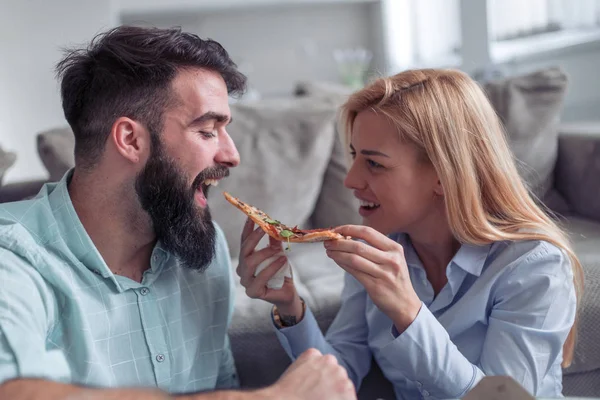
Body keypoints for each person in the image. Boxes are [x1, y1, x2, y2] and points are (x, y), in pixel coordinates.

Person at [0, 25, 356, 400]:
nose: (232, 155)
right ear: (131, 140)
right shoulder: (14, 260)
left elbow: (217, 383)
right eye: (208, 130)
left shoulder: (205, 249)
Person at [238, 68, 584, 399]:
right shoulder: (375, 255)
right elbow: (340, 378)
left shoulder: (533, 267)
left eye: (374, 163)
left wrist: (408, 313)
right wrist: (290, 308)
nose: (351, 180)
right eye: (355, 156)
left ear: (443, 174)